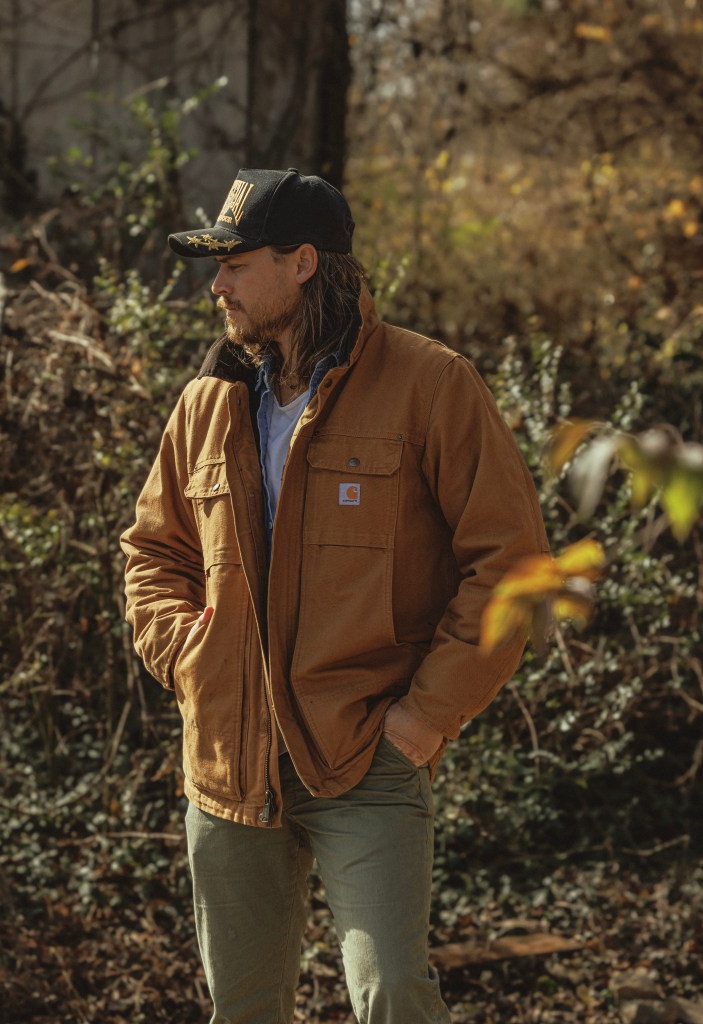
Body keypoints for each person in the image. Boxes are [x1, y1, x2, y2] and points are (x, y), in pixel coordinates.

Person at [120, 167, 549, 1024]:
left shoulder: (430, 384)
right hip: (227, 763)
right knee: (243, 1008)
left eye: (235, 265)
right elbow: (152, 551)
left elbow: (511, 564)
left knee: (391, 992)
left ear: (303, 263)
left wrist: (425, 716)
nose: (217, 287)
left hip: (367, 756)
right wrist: (190, 659)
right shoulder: (207, 401)